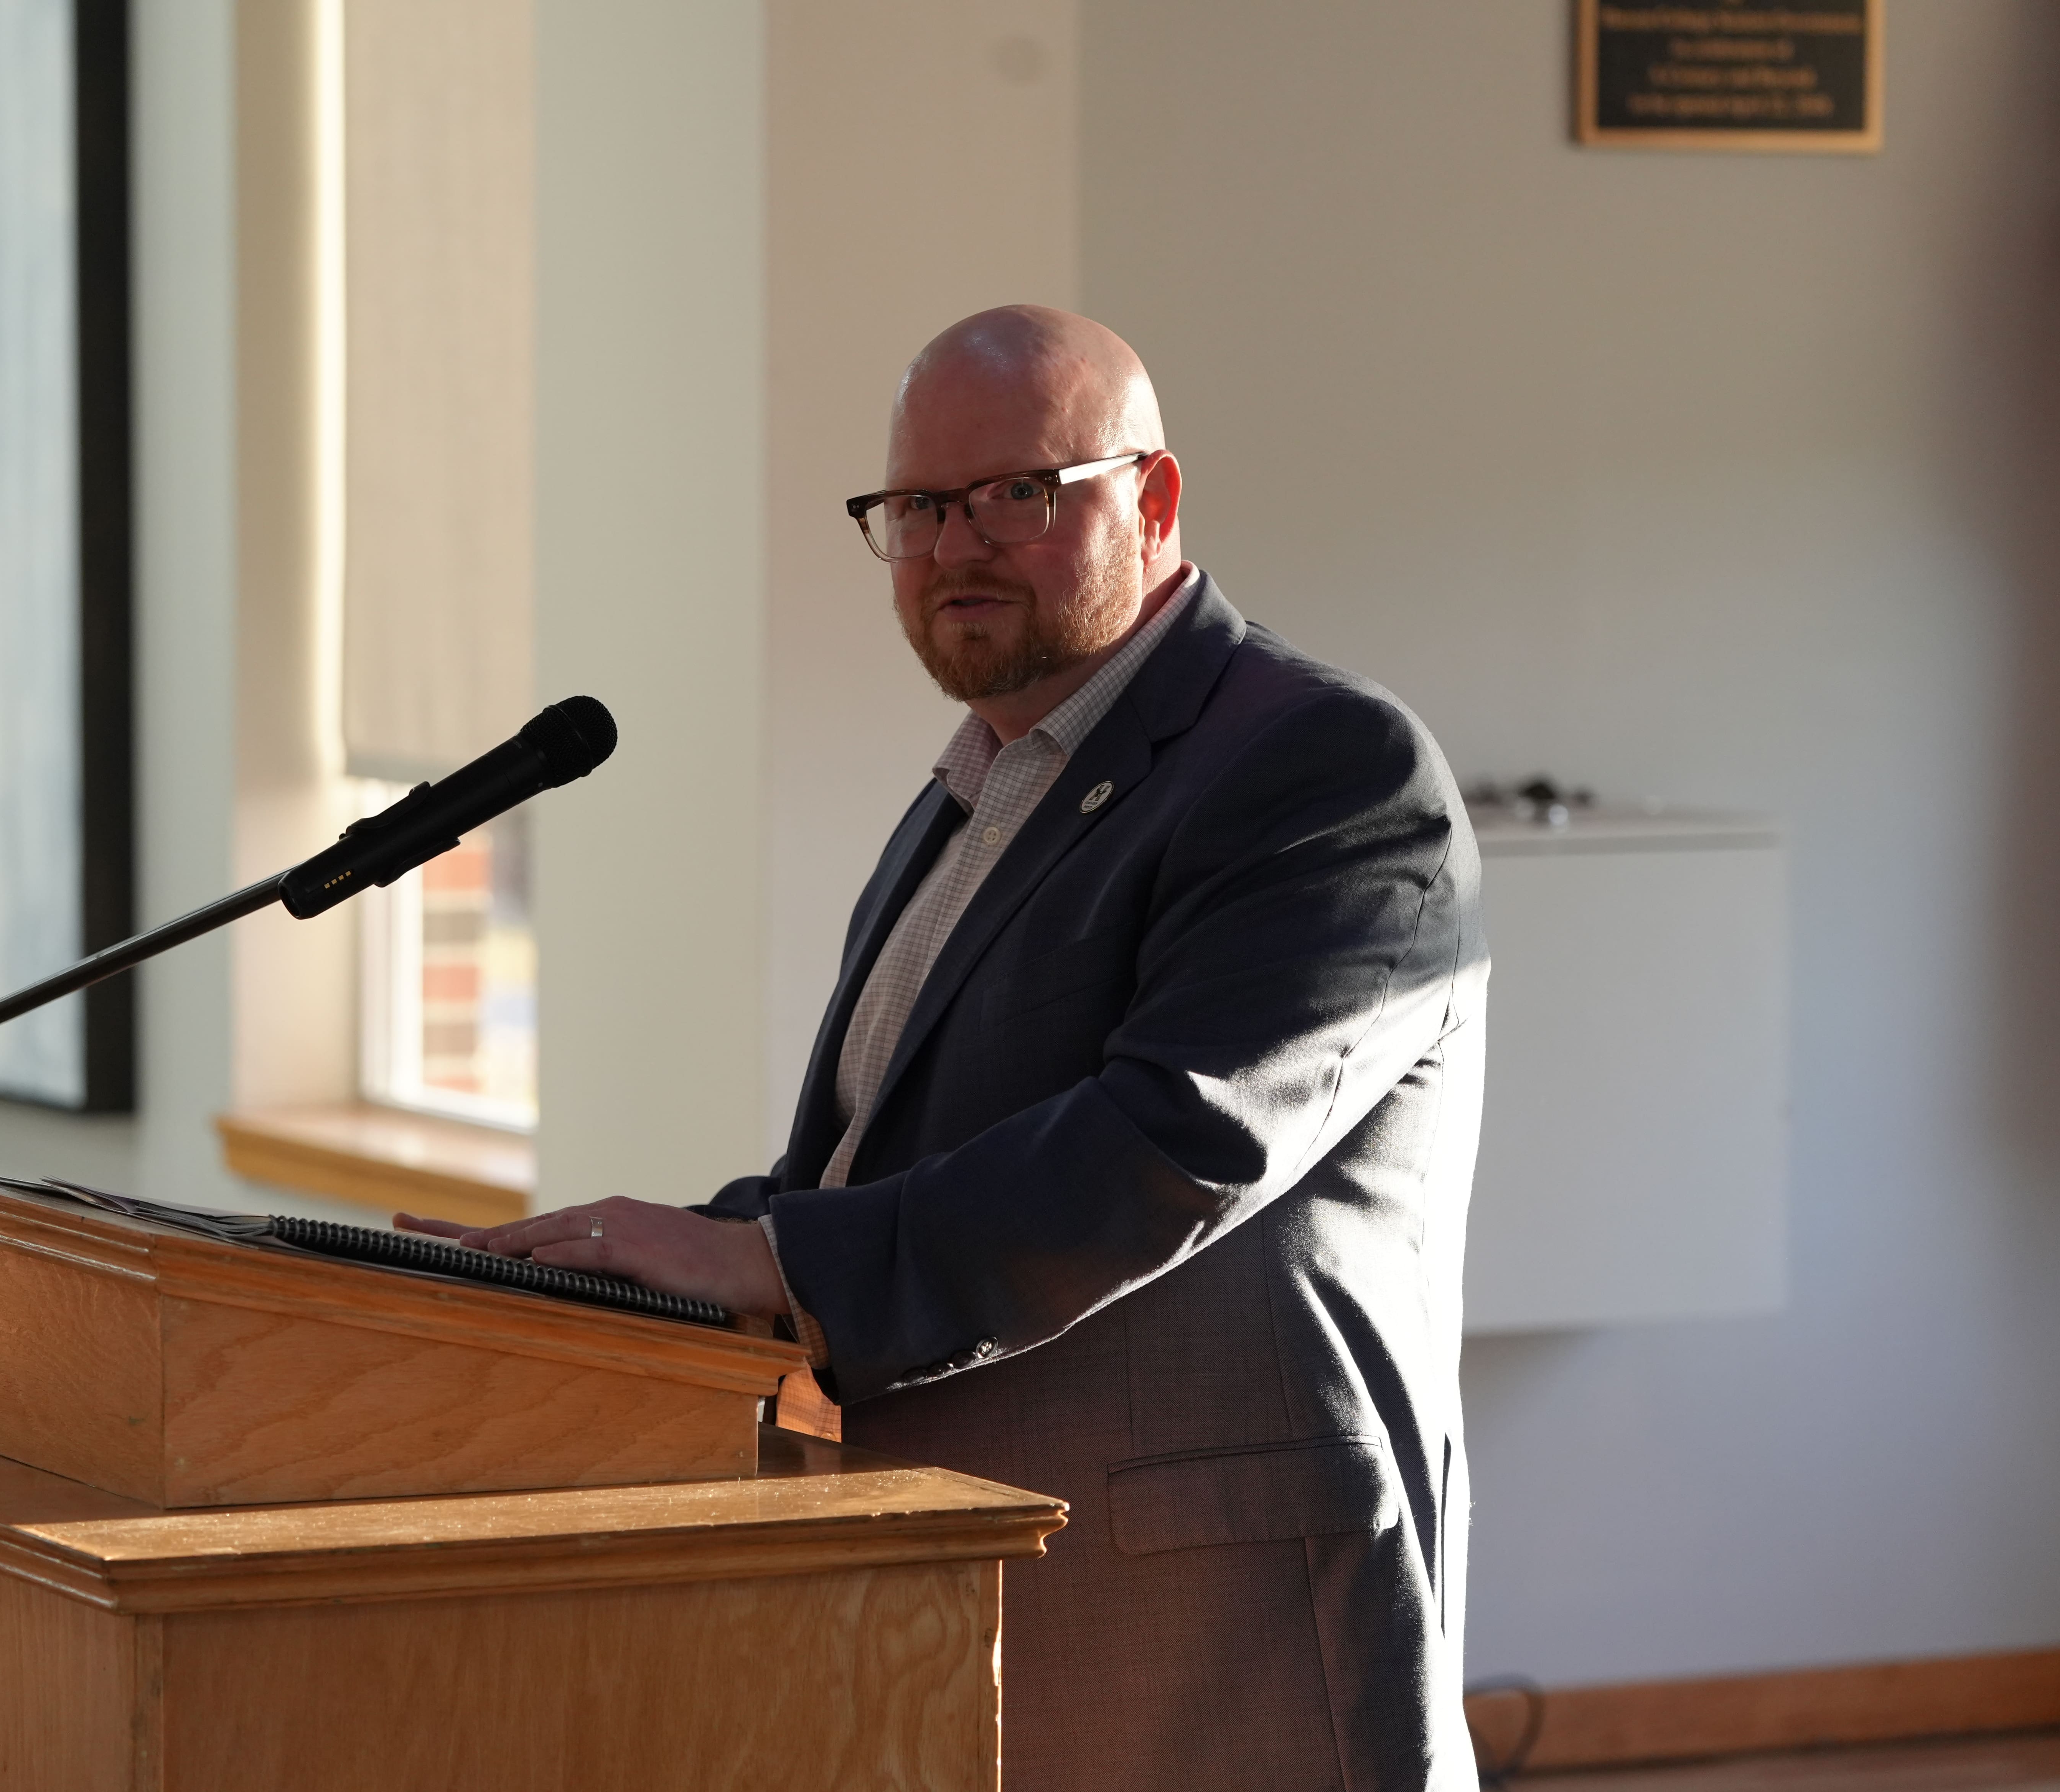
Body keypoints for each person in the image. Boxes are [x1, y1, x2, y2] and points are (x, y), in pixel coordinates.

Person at [402, 305, 1486, 1791]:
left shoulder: (1324, 767)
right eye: (918, 507)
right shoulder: (975, 790)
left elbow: (1174, 1142)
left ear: (1154, 500)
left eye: (1020, 492)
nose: (956, 544)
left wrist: (782, 1263)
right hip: (967, 1570)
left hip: (1209, 1608)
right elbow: (878, 1163)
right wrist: (629, 1271)